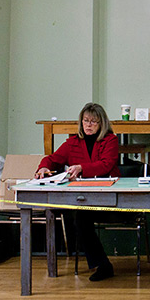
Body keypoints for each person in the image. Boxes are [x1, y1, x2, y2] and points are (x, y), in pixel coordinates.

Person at [35, 102, 119, 282]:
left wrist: (82, 168)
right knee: (79, 216)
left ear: (101, 123)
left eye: (93, 122)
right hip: (83, 198)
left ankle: (103, 265)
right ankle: (103, 264)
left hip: (108, 195)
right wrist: (43, 168)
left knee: (80, 217)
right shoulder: (72, 142)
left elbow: (106, 164)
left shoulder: (110, 140)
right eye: (85, 121)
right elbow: (52, 159)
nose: (88, 125)